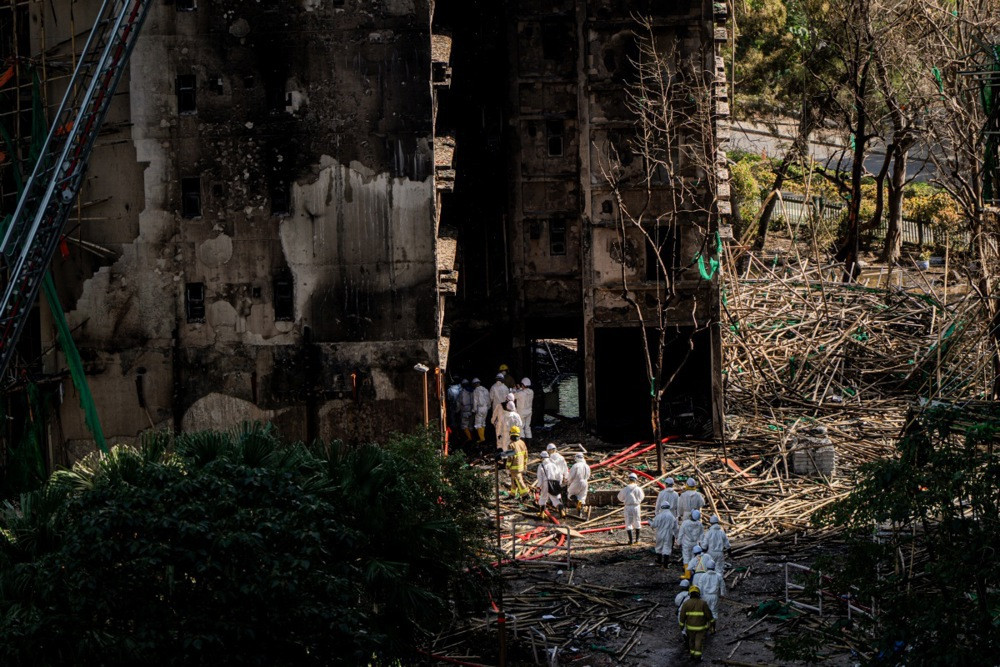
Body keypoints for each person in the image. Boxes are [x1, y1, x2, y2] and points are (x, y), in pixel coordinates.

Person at [678, 585, 714, 661]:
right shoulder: (703, 603)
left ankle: (692, 655)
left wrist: (681, 627)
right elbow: (709, 615)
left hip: (690, 627)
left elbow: (682, 616)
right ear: (698, 593)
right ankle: (697, 657)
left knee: (691, 641)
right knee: (698, 641)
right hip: (700, 628)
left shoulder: (686, 603)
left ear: (690, 594)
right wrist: (711, 623)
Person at [617, 472, 645, 545]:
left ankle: (631, 540)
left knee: (628, 522)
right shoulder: (638, 489)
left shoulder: (625, 489)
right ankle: (637, 540)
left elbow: (619, 497)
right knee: (637, 521)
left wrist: (625, 500)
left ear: (629, 479)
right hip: (636, 506)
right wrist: (637, 501)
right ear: (636, 480)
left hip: (628, 506)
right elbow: (642, 497)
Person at [535, 451, 563, 517]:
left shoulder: (541, 466)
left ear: (542, 458)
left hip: (545, 483)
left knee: (543, 498)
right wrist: (558, 483)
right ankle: (561, 510)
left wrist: (538, 487)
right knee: (555, 498)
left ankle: (542, 514)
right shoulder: (553, 465)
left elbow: (540, 479)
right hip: (553, 482)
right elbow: (559, 475)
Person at [507, 426, 529, 499]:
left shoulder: (511, 445)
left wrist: (507, 466)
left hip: (514, 467)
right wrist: (525, 465)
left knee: (519, 480)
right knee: (513, 480)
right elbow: (526, 455)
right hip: (521, 466)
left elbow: (510, 458)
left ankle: (525, 494)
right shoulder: (522, 443)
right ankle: (512, 494)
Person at [514, 378, 534, 443]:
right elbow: (524, 391)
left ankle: (523, 443)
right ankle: (529, 444)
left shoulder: (520, 393)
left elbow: (513, 396)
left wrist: (515, 390)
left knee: (521, 427)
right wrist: (520, 389)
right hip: (529, 411)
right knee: (527, 427)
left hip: (521, 412)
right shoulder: (531, 392)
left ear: (523, 385)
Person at [471, 378, 490, 443]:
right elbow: (488, 399)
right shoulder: (485, 389)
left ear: (474, 384)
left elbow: (475, 401)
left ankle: (482, 438)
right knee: (483, 423)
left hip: (480, 408)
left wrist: (474, 410)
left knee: (478, 424)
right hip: (486, 408)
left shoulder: (476, 391)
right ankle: (483, 437)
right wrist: (488, 407)